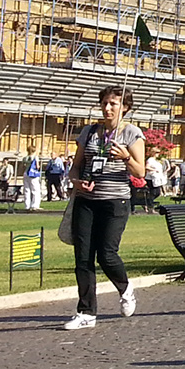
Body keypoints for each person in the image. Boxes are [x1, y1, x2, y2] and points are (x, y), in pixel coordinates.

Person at [62, 86, 148, 329]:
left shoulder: (132, 133)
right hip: (86, 200)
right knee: (83, 257)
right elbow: (76, 166)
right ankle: (86, 312)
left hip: (115, 201)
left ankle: (125, 287)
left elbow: (140, 172)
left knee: (107, 254)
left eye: (114, 104)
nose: (108, 108)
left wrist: (125, 158)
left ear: (125, 108)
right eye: (105, 103)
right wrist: (77, 180)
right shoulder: (90, 132)